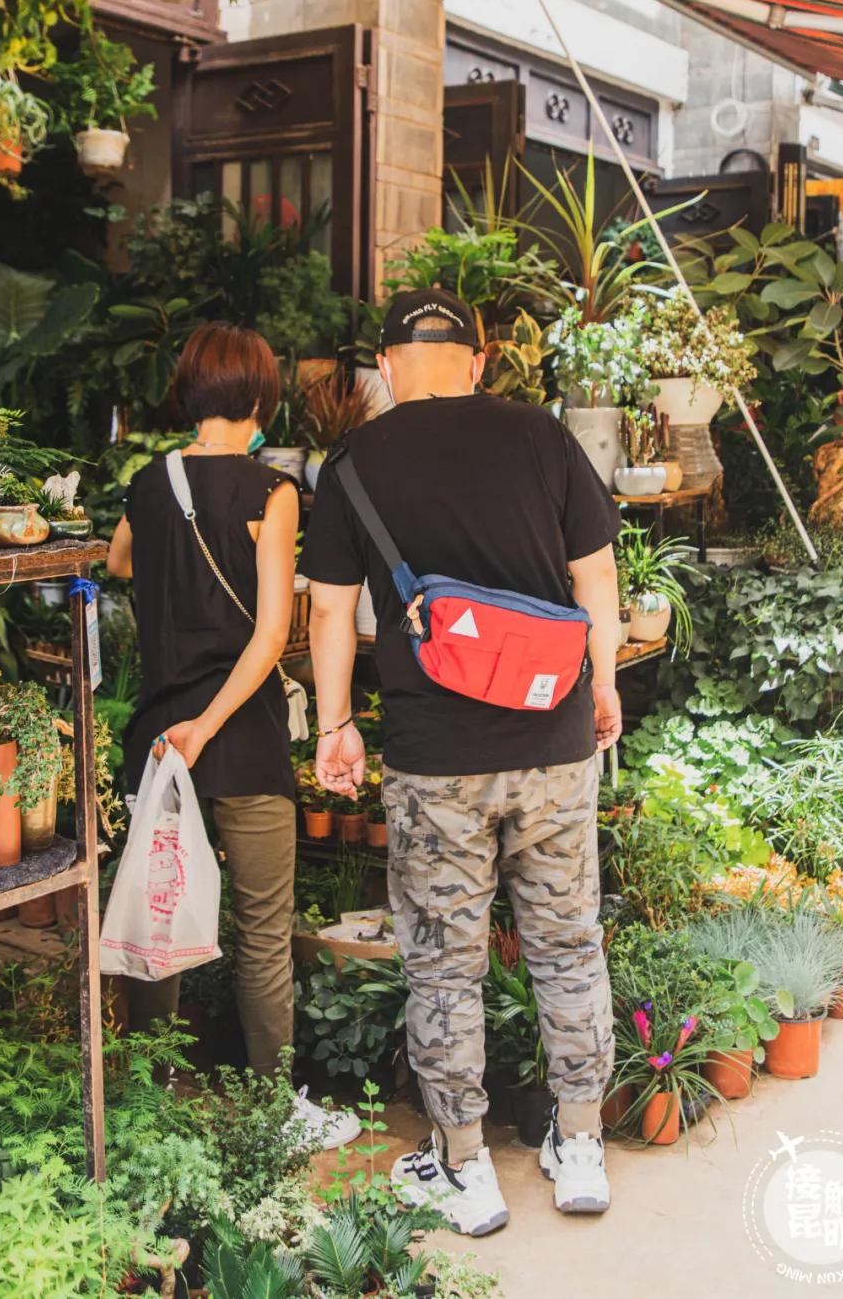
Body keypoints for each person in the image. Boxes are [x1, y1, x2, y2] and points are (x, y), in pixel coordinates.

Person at [300, 288, 622, 1233]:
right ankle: (580, 1149)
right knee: (568, 946)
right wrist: (604, 682)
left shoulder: (354, 463)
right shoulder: (543, 436)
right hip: (554, 742)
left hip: (435, 762)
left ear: (385, 368)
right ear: (478, 361)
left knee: (444, 968)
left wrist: (334, 724)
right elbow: (597, 574)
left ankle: (464, 1167)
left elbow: (330, 609)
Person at [108, 321, 359, 1150]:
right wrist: (209, 726)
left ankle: (146, 1107)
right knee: (262, 932)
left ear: (189, 393)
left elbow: (117, 562)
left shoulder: (149, 482)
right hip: (241, 738)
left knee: (158, 920)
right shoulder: (270, 493)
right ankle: (272, 1110)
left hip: (159, 742)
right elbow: (270, 633)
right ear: (258, 398)